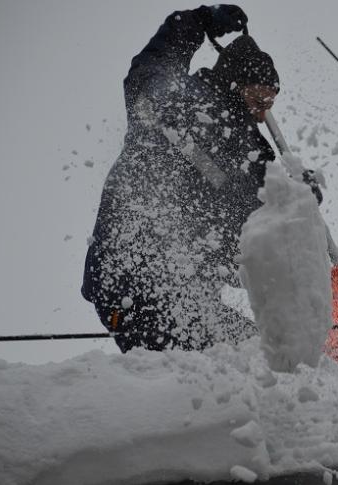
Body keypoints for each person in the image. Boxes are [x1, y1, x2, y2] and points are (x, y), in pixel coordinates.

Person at [82, 5, 300, 353]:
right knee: (248, 363)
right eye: (258, 100)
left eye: (268, 106)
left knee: (267, 353)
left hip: (191, 296)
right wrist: (197, 21)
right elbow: (148, 69)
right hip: (131, 282)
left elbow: (258, 237)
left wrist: (298, 201)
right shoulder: (175, 102)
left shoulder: (253, 160)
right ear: (234, 84)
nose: (262, 114)